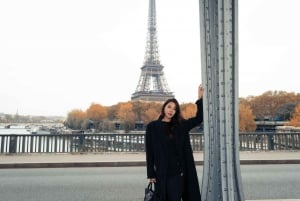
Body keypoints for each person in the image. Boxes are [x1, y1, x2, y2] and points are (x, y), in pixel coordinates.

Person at [145, 85, 204, 201]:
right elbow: (150, 151)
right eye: (169, 107)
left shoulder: (180, 126)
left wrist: (200, 99)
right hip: (161, 173)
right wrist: (151, 174)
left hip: (177, 174)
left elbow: (199, 119)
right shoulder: (152, 127)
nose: (171, 110)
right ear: (164, 108)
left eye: (174, 109)